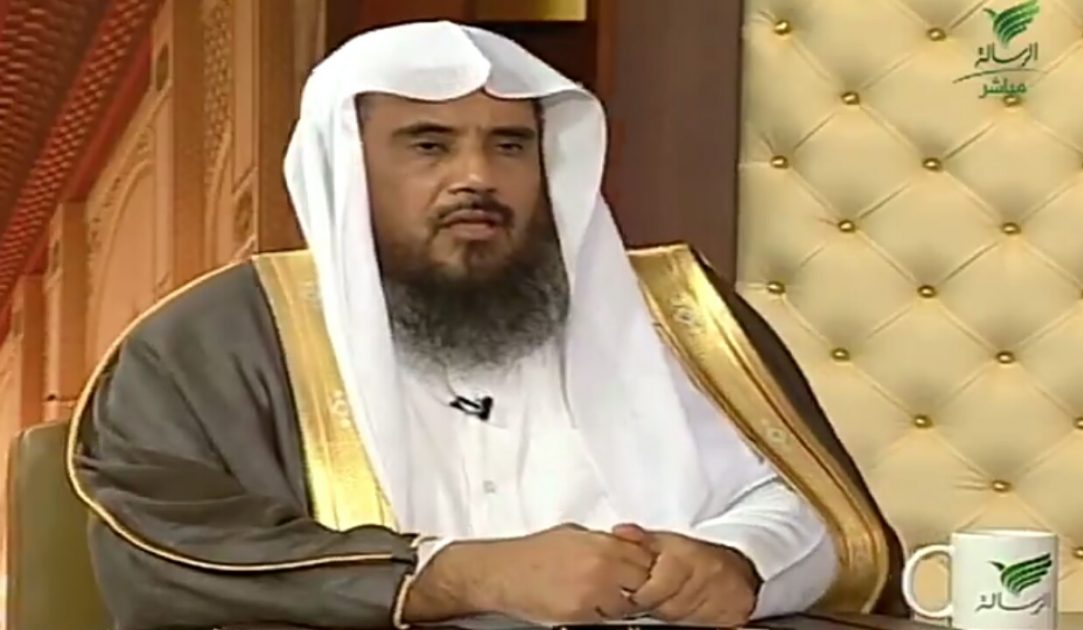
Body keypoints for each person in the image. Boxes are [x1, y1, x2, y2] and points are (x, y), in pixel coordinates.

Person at [67, 21, 903, 630]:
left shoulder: (675, 312)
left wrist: (739, 562)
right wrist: (458, 576)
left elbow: (813, 511)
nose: (477, 177)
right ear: (348, 168)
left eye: (509, 146)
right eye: (428, 146)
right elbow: (166, 550)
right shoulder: (214, 341)